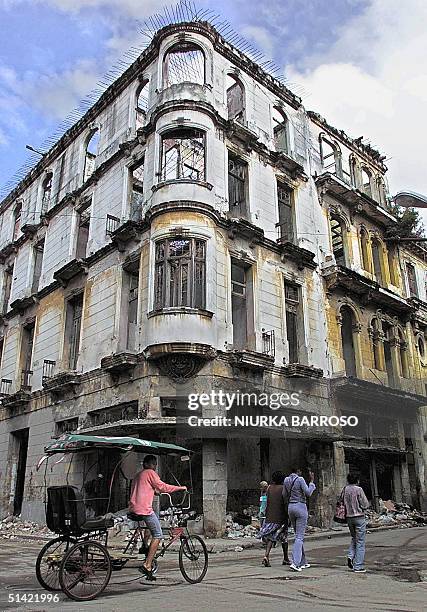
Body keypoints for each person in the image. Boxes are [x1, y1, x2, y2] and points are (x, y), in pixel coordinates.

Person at [129, 454, 187, 580]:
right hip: (144, 509)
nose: (155, 467)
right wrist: (180, 488)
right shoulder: (150, 473)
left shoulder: (139, 475)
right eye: (154, 464)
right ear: (149, 465)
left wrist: (155, 492)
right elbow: (163, 486)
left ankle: (146, 547)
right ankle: (147, 564)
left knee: (149, 526)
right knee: (158, 534)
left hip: (134, 508)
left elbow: (146, 488)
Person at [283, 467, 315, 572]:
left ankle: (303, 561)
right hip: (300, 507)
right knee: (299, 537)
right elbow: (308, 492)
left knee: (298, 536)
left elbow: (284, 494)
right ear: (298, 471)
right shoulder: (300, 479)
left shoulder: (286, 480)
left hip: (291, 507)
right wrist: (311, 483)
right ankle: (296, 563)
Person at [257, 471, 290, 567]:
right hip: (280, 517)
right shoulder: (283, 489)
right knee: (284, 538)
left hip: (270, 517)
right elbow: (285, 503)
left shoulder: (269, 488)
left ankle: (267, 556)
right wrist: (288, 516)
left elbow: (265, 502)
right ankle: (285, 558)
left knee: (271, 537)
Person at [343, 473, 370, 573]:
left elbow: (341, 501)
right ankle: (358, 566)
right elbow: (365, 504)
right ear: (357, 480)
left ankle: (350, 555)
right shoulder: (359, 489)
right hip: (359, 517)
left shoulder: (345, 489)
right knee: (360, 542)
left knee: (354, 538)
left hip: (349, 517)